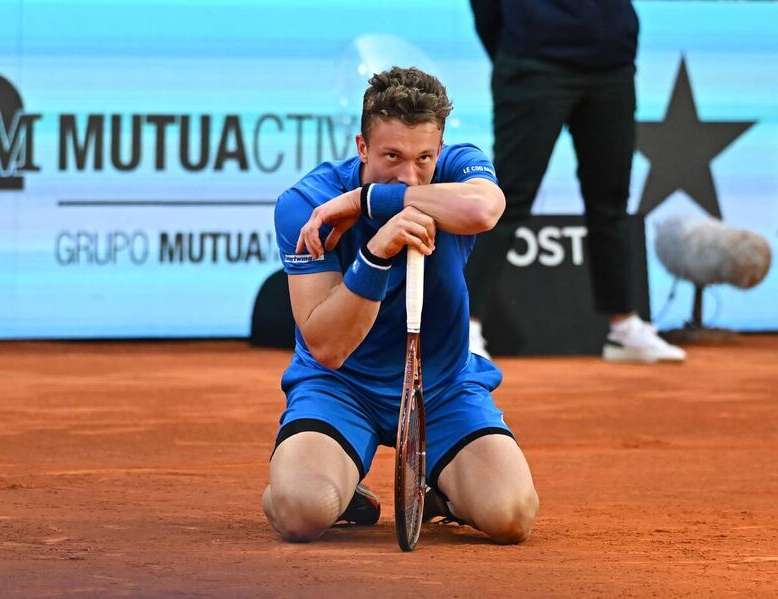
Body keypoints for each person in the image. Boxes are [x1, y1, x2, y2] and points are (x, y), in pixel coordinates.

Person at [263, 66, 539, 544]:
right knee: (301, 512)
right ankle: (340, 491)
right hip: (341, 387)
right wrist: (375, 254)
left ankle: (440, 490)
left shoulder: (458, 168)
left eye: (424, 158)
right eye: (391, 156)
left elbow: (484, 210)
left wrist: (372, 200)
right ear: (362, 147)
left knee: (511, 516)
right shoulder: (307, 203)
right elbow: (326, 346)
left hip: (443, 387)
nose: (410, 173)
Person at [465, 0, 686, 363]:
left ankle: (624, 327)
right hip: (533, 64)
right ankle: (467, 326)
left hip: (612, 66)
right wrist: (517, 47)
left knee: (611, 200)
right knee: (507, 199)